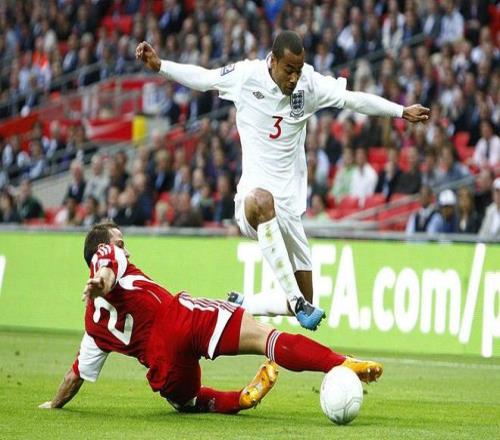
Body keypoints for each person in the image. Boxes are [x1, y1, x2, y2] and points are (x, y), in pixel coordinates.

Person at [136, 31, 430, 330]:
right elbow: (205, 78)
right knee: (263, 202)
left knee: (307, 298)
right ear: (273, 61)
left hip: (288, 210)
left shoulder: (309, 85)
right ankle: (297, 301)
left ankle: (247, 305)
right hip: (251, 203)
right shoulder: (246, 76)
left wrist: (400, 111)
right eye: (289, 70)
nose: (294, 78)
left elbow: (353, 100)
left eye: (298, 70)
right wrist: (161, 66)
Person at [39, 223, 383, 412]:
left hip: (162, 362)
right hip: (181, 317)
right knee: (266, 338)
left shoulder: (93, 327)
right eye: (120, 242)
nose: (125, 249)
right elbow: (106, 270)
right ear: (101, 249)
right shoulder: (106, 254)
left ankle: (239, 398)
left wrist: (53, 404)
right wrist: (101, 282)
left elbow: (75, 376)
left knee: (184, 401)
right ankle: (341, 362)